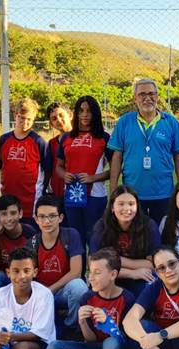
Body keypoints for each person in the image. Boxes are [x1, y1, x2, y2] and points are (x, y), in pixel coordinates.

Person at [108, 78, 179, 225]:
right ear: (135, 98)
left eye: (151, 94)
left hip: (163, 192)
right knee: (136, 236)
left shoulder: (171, 122)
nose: (147, 98)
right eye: (142, 94)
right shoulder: (124, 122)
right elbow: (117, 157)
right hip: (132, 194)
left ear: (157, 96)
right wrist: (113, 190)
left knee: (163, 236)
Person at [26, 195, 88, 339]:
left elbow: (76, 272)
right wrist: (42, 294)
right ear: (36, 219)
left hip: (62, 292)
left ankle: (72, 328)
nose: (47, 221)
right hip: (41, 294)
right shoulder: (32, 243)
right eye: (42, 216)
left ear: (60, 217)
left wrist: (51, 290)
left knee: (79, 286)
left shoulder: (70, 235)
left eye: (52, 216)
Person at [56, 96, 112, 245]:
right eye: (81, 111)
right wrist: (64, 175)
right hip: (72, 195)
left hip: (95, 195)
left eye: (89, 111)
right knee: (75, 238)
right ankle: (78, 269)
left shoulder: (104, 137)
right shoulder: (67, 137)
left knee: (94, 238)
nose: (85, 114)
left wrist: (92, 178)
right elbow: (58, 167)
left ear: (96, 113)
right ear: (76, 113)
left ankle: (95, 268)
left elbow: (115, 170)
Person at [89, 185, 161, 297]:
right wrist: (131, 273)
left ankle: (144, 313)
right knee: (98, 278)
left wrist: (115, 260)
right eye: (121, 204)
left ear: (137, 207)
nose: (127, 209)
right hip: (112, 277)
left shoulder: (149, 226)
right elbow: (94, 265)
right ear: (112, 207)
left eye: (131, 204)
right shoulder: (102, 226)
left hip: (138, 276)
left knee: (152, 280)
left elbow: (154, 264)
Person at [0, 98, 48, 228]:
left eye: (29, 119)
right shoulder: (4, 140)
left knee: (29, 237)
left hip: (30, 203)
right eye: (22, 118)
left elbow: (47, 171)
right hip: (8, 198)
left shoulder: (39, 142)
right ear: (16, 115)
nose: (25, 122)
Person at [0, 194, 37, 294]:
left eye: (13, 213)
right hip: (4, 276)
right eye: (4, 214)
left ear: (20, 213)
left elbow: (34, 267)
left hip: (24, 277)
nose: (9, 218)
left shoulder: (29, 233)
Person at [46, 101, 72, 199]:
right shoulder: (52, 143)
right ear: (51, 124)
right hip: (57, 193)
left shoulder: (81, 139)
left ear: (70, 115)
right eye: (54, 118)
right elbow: (49, 170)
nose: (59, 120)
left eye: (61, 115)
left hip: (77, 192)